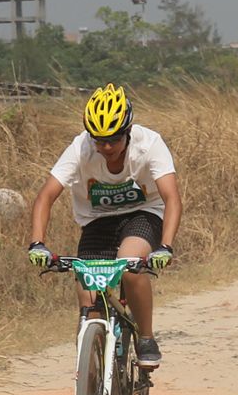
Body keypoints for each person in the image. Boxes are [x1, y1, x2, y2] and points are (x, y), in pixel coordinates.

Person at [26, 85, 181, 367]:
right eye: (100, 141)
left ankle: (146, 337)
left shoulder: (149, 144)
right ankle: (92, 375)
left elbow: (171, 198)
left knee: (129, 263)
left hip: (143, 214)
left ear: (128, 131)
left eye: (113, 140)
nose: (107, 147)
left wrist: (165, 247)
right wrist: (37, 243)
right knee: (89, 304)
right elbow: (45, 196)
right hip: (97, 221)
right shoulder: (80, 148)